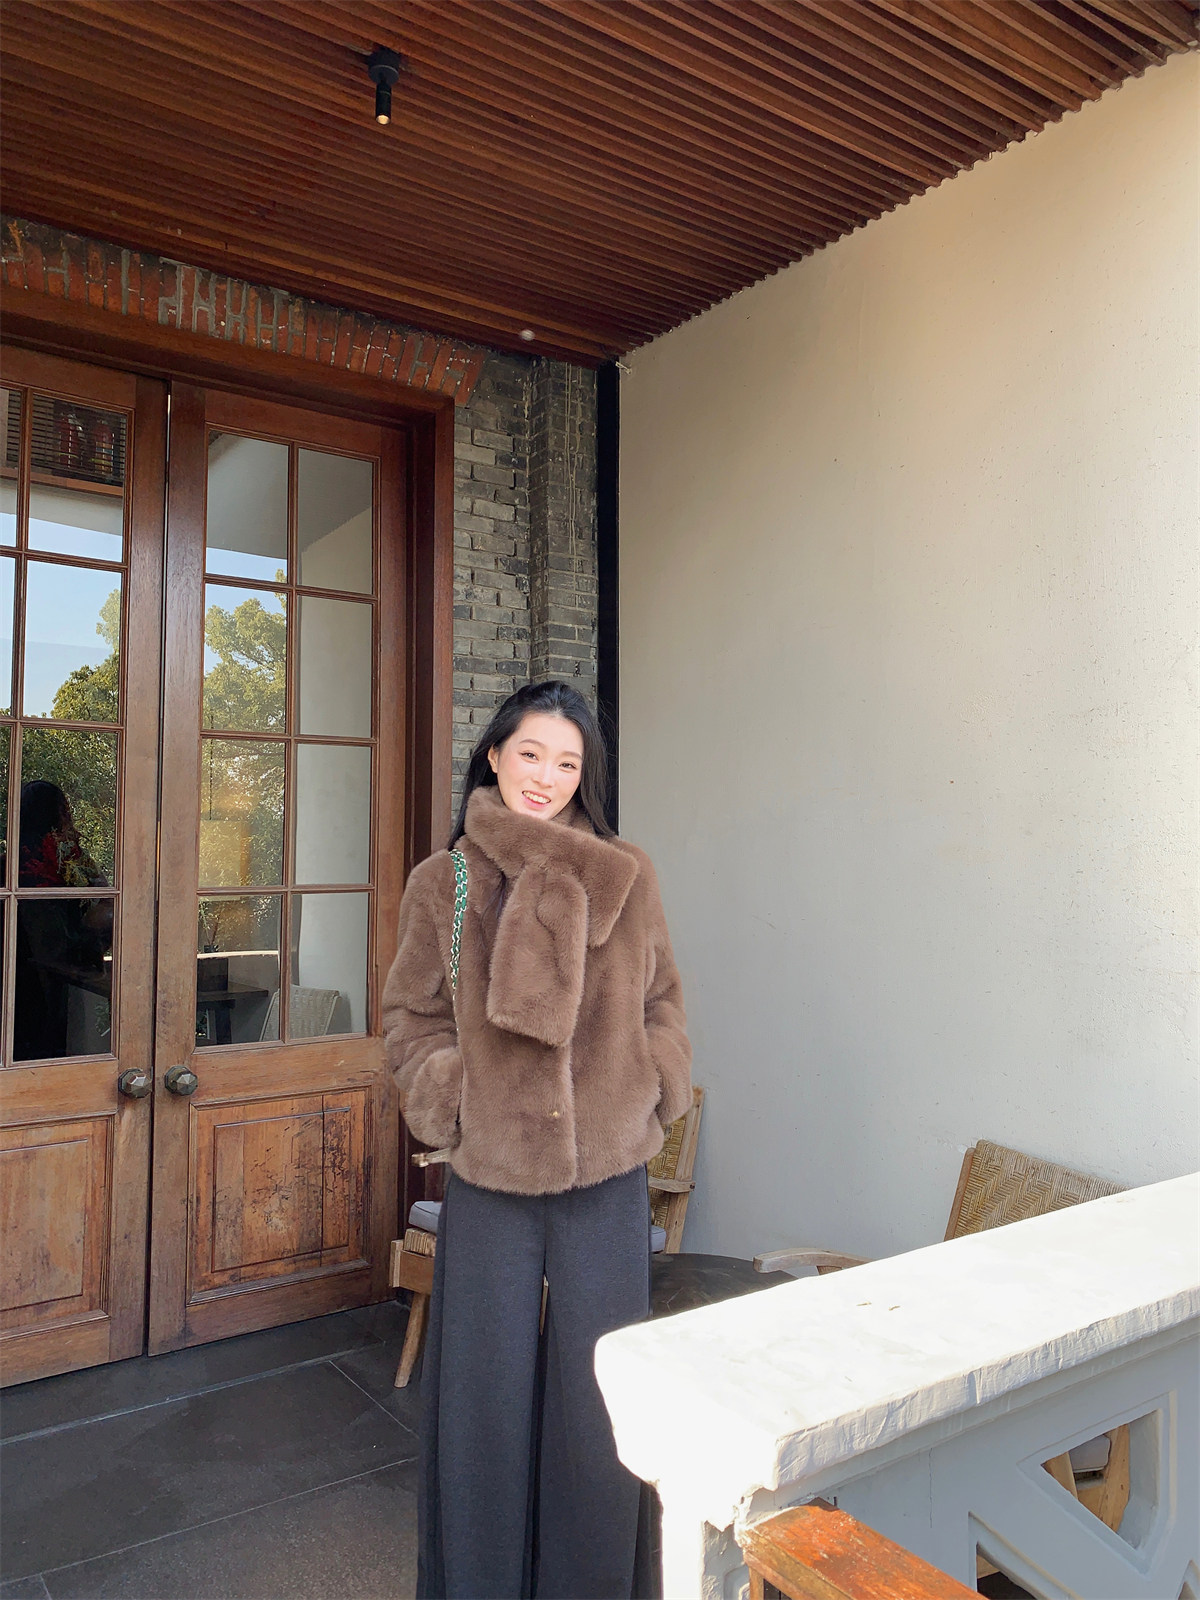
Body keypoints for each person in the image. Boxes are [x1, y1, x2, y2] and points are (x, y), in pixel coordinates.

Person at [383, 679, 692, 1600]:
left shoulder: (626, 873)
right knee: (481, 1402)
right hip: (493, 1179)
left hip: (608, 1175)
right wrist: (454, 1103)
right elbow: (409, 1019)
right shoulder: (445, 883)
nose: (546, 778)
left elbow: (662, 1000)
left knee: (604, 1403)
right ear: (494, 754)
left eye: (567, 762)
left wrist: (657, 1083)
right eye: (530, 754)